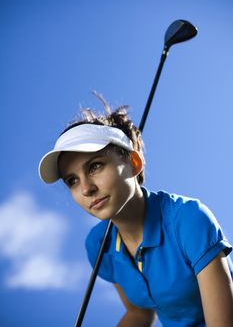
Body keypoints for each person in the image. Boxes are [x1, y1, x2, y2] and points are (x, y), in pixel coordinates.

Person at [39, 96, 233, 327]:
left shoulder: (189, 218)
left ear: (133, 162)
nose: (86, 189)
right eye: (72, 180)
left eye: (95, 166)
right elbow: (139, 313)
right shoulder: (98, 245)